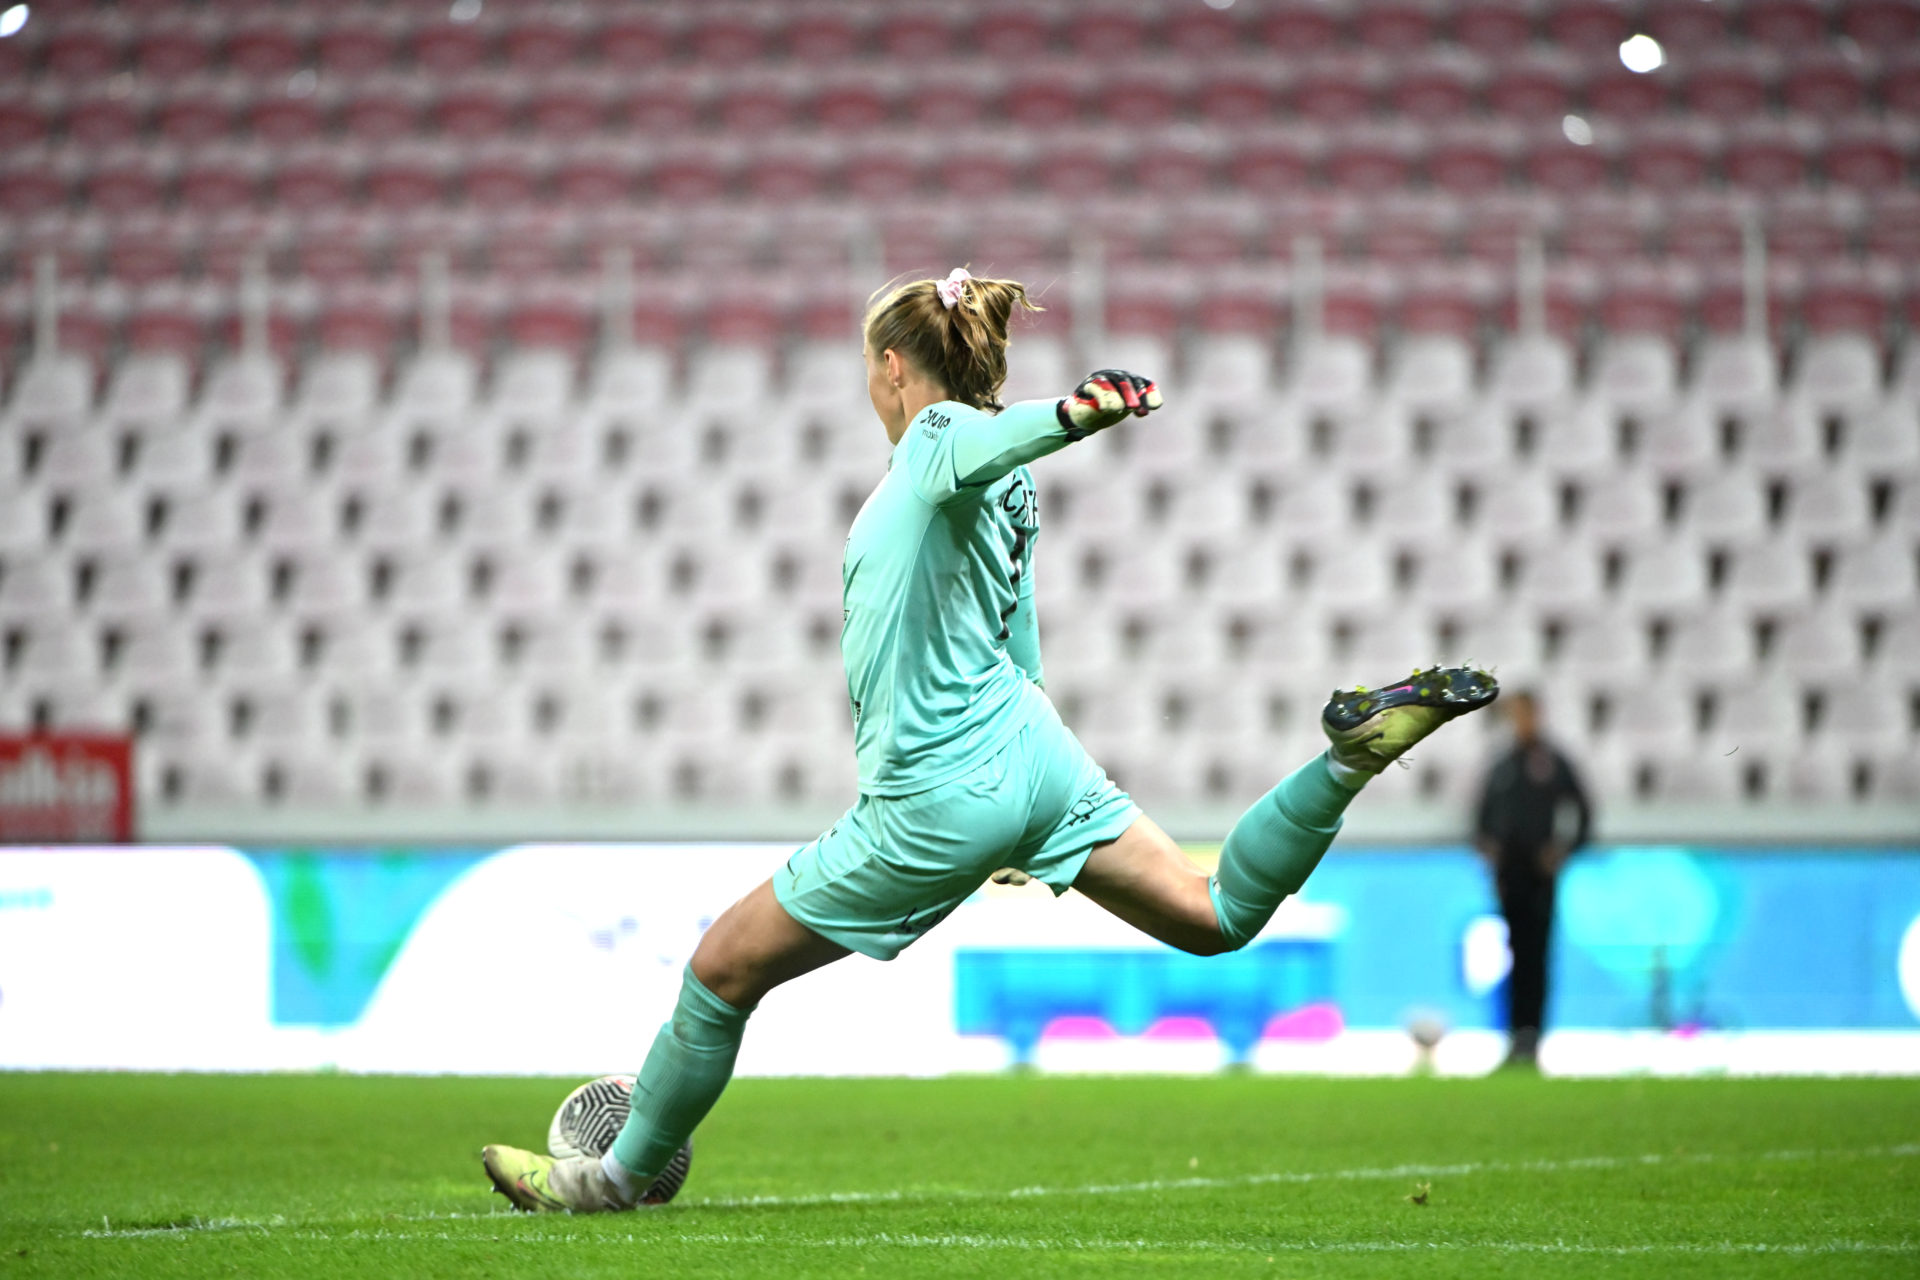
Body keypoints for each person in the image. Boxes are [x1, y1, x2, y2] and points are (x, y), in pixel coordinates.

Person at [482, 268, 1499, 1211]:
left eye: (867, 365)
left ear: (891, 365)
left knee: (719, 972)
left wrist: (1071, 414)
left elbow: (974, 440)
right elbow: (1019, 629)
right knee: (1214, 912)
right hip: (1029, 747)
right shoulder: (1006, 487)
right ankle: (1347, 760)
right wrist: (1023, 807)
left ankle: (607, 1179)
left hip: (940, 784)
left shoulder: (936, 439)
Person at [1471, 689, 1593, 1068]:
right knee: (1514, 955)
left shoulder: (1553, 761)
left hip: (1541, 876)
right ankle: (1514, 1037)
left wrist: (1563, 851)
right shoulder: (1502, 764)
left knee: (1537, 956)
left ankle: (1532, 1037)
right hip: (1510, 876)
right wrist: (1490, 854)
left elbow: (1584, 811)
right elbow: (1481, 818)